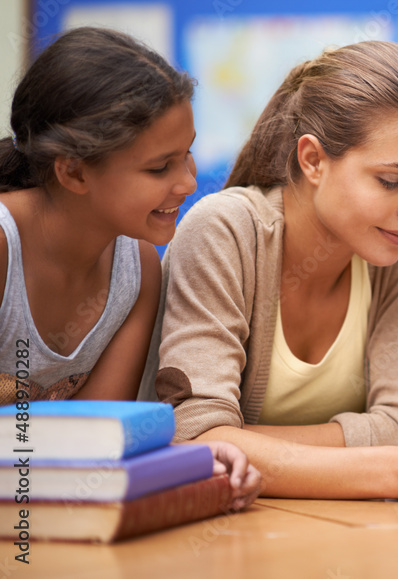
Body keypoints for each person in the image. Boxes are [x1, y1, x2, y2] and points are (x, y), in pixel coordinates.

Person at [141, 40, 398, 503]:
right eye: (392, 181)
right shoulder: (224, 230)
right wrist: (397, 469)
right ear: (313, 159)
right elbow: (194, 442)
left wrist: (245, 441)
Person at [0, 26, 259, 510]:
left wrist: (194, 459)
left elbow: (93, 443)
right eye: (160, 168)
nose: (188, 182)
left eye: (188, 154)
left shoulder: (138, 270)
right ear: (74, 171)